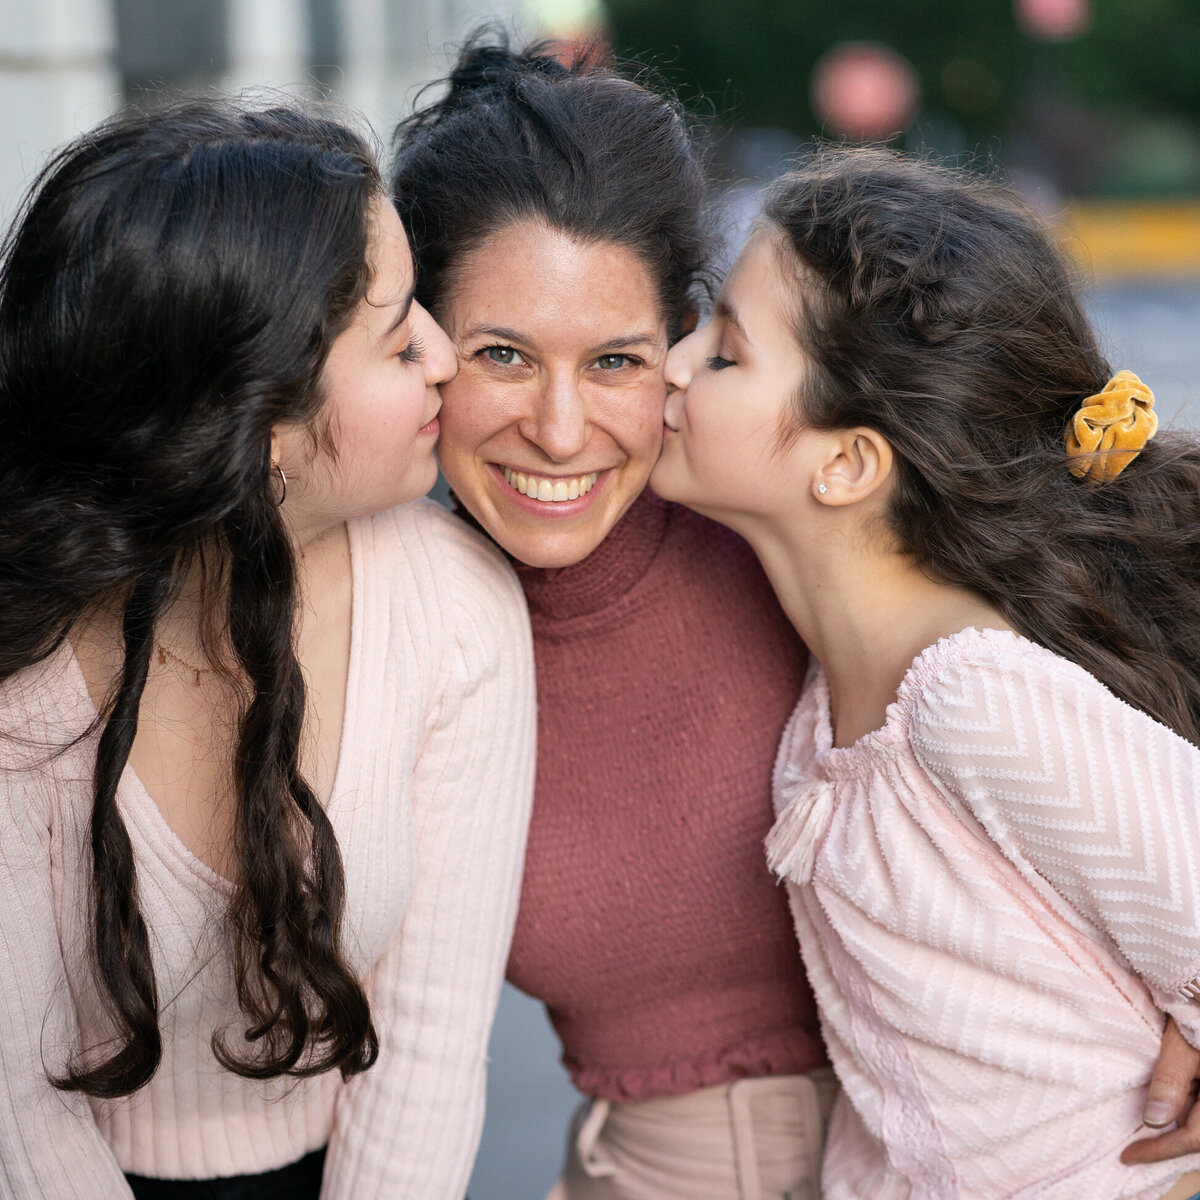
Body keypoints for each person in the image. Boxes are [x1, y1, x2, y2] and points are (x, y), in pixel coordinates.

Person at [0, 101, 534, 1199]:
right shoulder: (28, 655)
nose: (446, 356)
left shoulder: (455, 609)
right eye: (397, 339)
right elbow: (19, 1105)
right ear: (259, 427)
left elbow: (428, 1049)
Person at [651, 143, 1200, 1198]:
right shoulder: (831, 707)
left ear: (846, 463)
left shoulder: (978, 702)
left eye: (724, 353)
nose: (674, 365)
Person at [392, 36, 834, 1200]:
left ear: (684, 349)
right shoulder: (386, 611)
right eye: (502, 354)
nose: (557, 427)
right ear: (419, 347)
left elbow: (1074, 692)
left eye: (616, 362)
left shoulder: (787, 528)